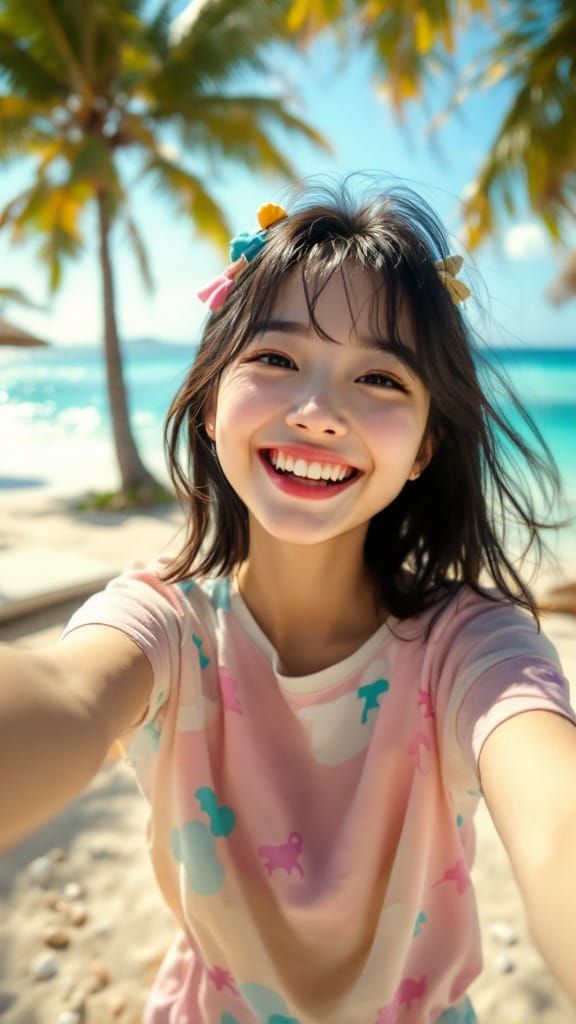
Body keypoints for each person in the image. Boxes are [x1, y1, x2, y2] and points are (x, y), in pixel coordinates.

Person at [2, 178, 576, 1024]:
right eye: (275, 359)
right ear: (207, 403)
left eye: (380, 378)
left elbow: (555, 815)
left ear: (425, 445)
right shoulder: (162, 622)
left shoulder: (475, 646)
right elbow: (66, 694)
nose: (318, 413)